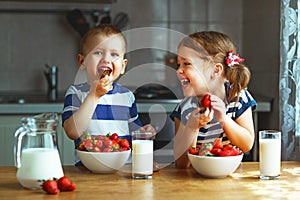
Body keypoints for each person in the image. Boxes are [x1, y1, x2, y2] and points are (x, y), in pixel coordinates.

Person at [62, 24, 155, 165]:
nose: (106, 59)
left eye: (114, 54)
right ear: (82, 62)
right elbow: (72, 132)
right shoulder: (76, 93)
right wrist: (94, 95)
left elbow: (134, 133)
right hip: (87, 170)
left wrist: (144, 132)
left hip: (123, 170)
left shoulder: (127, 96)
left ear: (123, 66)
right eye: (98, 52)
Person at [171, 31, 257, 168]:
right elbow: (181, 164)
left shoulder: (238, 98)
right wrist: (192, 128)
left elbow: (247, 145)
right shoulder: (184, 109)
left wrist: (224, 120)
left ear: (216, 70)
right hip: (194, 182)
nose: (178, 70)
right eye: (179, 64)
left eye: (186, 63)